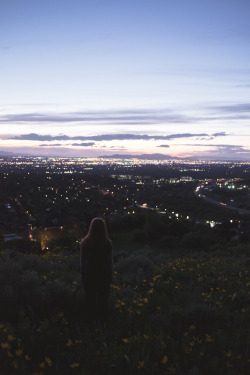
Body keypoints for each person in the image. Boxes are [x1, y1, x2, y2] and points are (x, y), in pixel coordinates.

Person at [80, 217, 113, 328]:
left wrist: (83, 275)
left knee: (90, 302)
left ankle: (90, 325)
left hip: (89, 275)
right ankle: (102, 325)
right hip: (104, 276)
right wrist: (110, 276)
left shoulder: (86, 242)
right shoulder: (107, 243)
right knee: (102, 302)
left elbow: (82, 261)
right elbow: (109, 262)